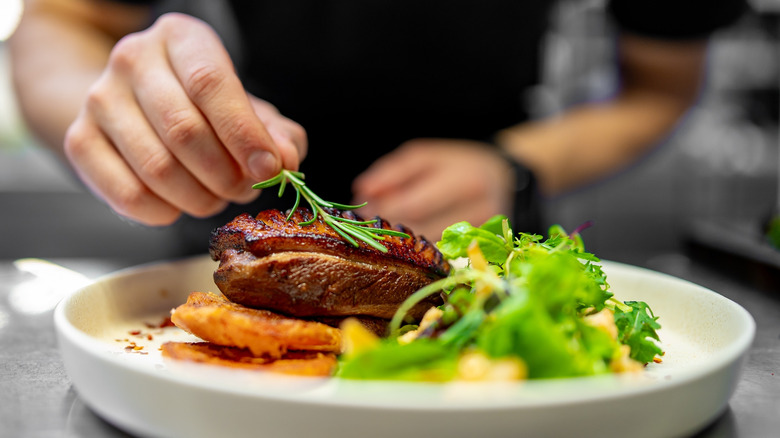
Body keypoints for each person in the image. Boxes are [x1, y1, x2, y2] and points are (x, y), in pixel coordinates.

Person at [9, 0, 747, 252]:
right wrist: (123, 117)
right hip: (232, 213)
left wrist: (517, 166)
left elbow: (659, 84)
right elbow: (65, 23)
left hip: (483, 239)